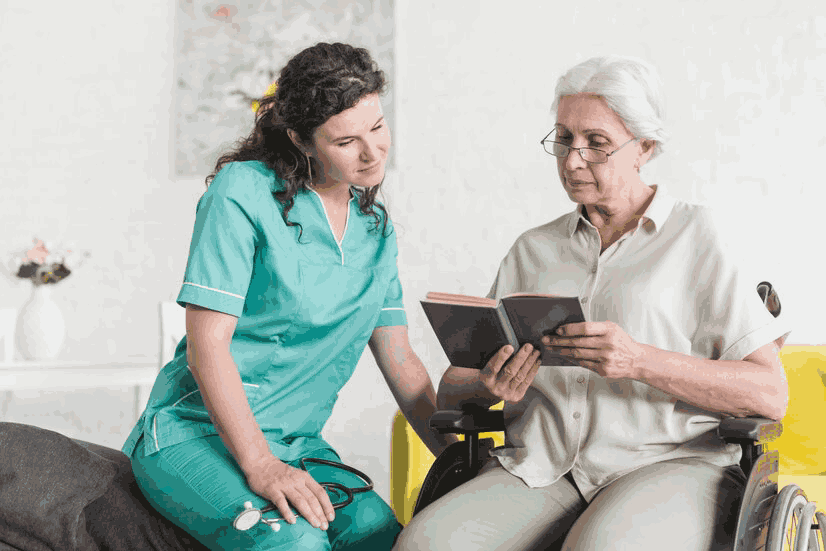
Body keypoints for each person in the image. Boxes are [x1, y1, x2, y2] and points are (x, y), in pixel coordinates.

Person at [394, 55, 790, 551]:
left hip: (670, 465)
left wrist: (638, 360)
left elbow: (770, 393)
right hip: (544, 467)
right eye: (563, 139)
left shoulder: (700, 237)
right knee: (424, 544)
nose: (573, 159)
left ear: (644, 147)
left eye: (596, 143)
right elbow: (453, 392)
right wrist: (488, 384)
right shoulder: (532, 250)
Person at [122, 42, 453, 551]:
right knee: (294, 542)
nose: (372, 152)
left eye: (378, 127)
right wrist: (260, 466)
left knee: (381, 535)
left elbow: (400, 357)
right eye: (346, 141)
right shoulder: (242, 192)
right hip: (194, 434)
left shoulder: (374, 228)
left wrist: (456, 461)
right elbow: (206, 345)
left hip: (297, 444)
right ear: (301, 139)